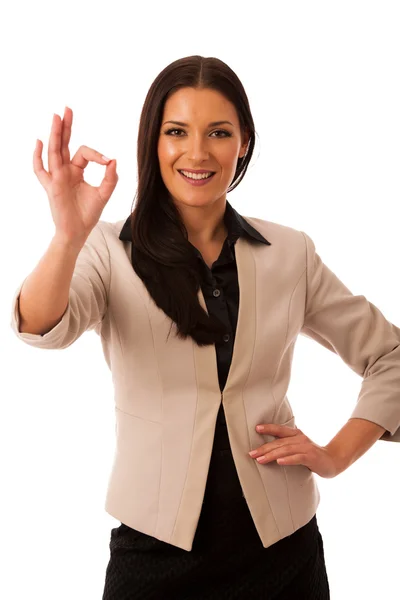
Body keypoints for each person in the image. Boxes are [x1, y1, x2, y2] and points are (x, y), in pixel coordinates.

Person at [10, 55, 400, 599]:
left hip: (283, 550)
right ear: (154, 142)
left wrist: (335, 455)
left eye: (219, 132)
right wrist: (68, 235)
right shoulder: (107, 249)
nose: (197, 152)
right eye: (177, 132)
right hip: (153, 552)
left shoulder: (290, 253)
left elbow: (391, 357)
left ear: (243, 142)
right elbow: (39, 324)